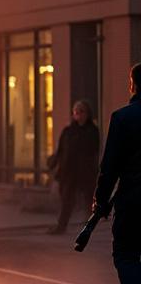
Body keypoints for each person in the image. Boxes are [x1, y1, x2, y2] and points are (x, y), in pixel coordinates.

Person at [93, 64, 141, 284]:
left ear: (133, 84)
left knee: (126, 254)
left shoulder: (123, 118)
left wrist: (101, 200)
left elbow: (110, 166)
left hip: (134, 199)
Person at [49, 100, 100, 234]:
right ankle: (61, 227)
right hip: (69, 171)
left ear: (87, 114)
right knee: (67, 199)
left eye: (81, 111)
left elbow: (94, 150)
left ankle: (90, 225)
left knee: (89, 198)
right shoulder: (68, 131)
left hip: (85, 171)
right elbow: (60, 149)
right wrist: (55, 163)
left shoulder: (92, 131)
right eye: (76, 111)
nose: (78, 114)